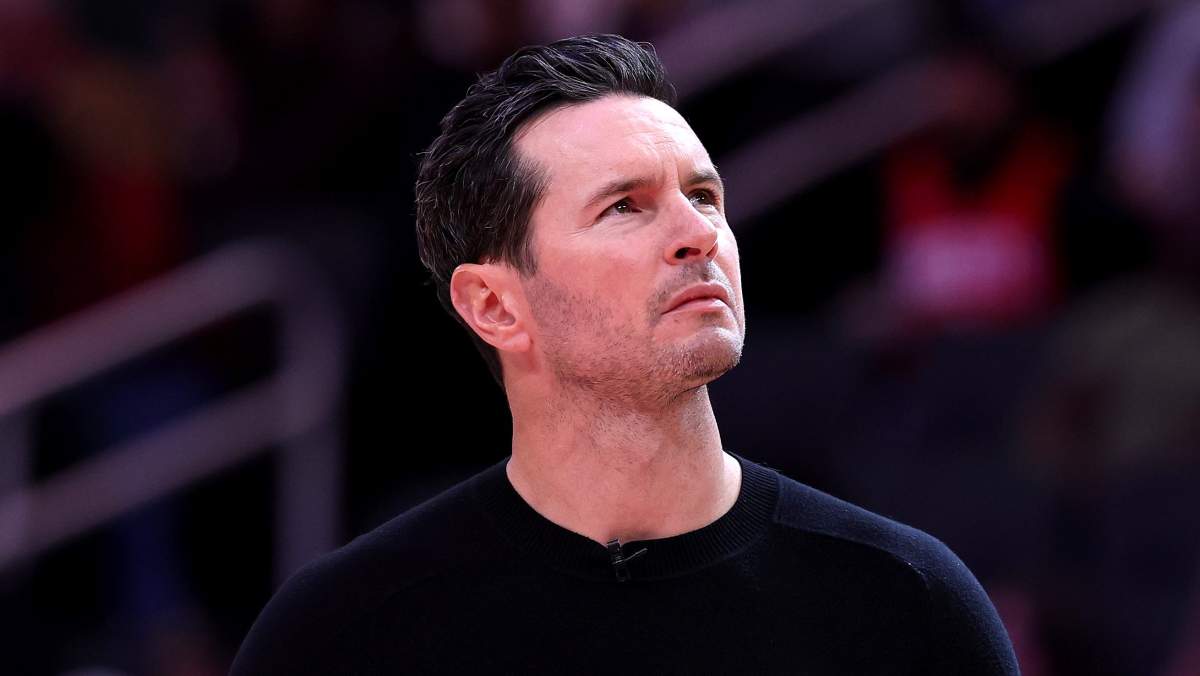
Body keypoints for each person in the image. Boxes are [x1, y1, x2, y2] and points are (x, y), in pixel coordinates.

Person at [231, 34, 1019, 675]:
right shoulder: (343, 633)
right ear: (495, 305)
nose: (698, 233)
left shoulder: (908, 603)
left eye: (704, 196)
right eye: (624, 207)